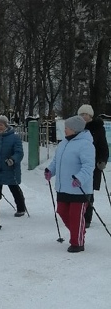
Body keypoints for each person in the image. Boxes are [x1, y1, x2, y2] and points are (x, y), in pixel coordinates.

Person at [45, 115, 95, 252]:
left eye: (67, 128)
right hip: (63, 187)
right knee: (61, 211)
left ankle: (77, 242)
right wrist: (50, 170)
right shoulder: (63, 143)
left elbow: (88, 166)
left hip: (79, 189)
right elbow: (56, 162)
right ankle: (78, 230)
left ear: (75, 129)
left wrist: (79, 178)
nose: (64, 130)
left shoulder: (86, 144)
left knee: (75, 216)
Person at [0, 115, 26, 218]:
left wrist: (13, 159)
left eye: (1, 125)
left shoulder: (14, 138)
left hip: (10, 168)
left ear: (6, 125)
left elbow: (19, 152)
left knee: (14, 189)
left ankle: (21, 208)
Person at [77, 104, 108, 229]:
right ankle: (77, 215)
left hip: (93, 164)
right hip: (78, 163)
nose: (83, 117)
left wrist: (102, 160)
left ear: (90, 116)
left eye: (85, 114)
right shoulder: (77, 127)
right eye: (81, 114)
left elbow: (103, 146)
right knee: (77, 190)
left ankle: (87, 217)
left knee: (89, 190)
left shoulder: (98, 128)